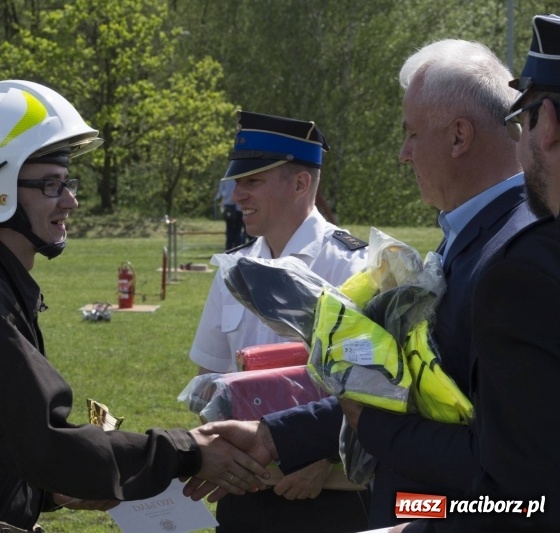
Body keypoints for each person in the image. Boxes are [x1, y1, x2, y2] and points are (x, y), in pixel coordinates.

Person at [0, 80, 272, 533]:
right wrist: (189, 451)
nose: (71, 200)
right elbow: (44, 442)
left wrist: (49, 488)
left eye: (68, 183)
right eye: (51, 185)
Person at [190, 39, 538, 531]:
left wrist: (415, 523)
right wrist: (273, 436)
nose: (402, 154)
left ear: (459, 136)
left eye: (412, 135)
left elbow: (523, 481)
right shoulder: (469, 240)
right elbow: (410, 396)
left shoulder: (515, 256)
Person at [395, 13, 560, 532]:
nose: (404, 155)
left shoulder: (520, 270)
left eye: (526, 115)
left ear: (548, 123)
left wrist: (411, 521)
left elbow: (524, 501)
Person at [188, 110, 370, 532]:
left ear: (301, 183)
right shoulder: (232, 268)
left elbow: (374, 386)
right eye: (238, 182)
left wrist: (323, 460)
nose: (237, 196)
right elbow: (208, 377)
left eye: (252, 181)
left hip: (330, 497)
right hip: (247, 493)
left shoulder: (354, 267)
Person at [214, 178, 245, 250]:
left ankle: (229, 248)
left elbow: (220, 193)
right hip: (238, 207)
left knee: (230, 230)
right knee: (238, 229)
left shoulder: (225, 179)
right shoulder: (241, 176)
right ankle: (238, 248)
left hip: (230, 207)